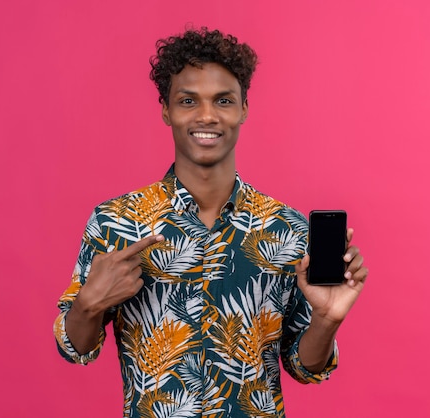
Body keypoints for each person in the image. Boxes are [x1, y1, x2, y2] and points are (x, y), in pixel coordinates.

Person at [54, 27, 368, 417]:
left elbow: (307, 367)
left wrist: (326, 320)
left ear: (244, 108)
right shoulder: (116, 222)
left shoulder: (287, 230)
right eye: (188, 100)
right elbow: (75, 348)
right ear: (166, 109)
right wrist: (86, 306)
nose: (207, 116)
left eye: (223, 100)